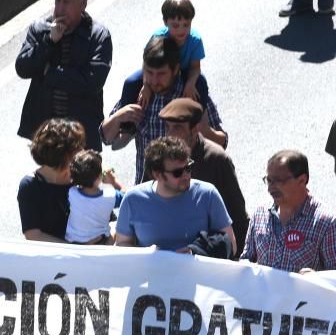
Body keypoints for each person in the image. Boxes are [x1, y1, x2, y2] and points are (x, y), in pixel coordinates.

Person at [100, 36, 226, 185]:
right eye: (149, 72)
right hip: (148, 192)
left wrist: (204, 130)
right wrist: (118, 117)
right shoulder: (138, 93)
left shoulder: (193, 95)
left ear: (176, 69)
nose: (154, 81)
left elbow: (222, 143)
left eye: (161, 74)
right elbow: (107, 139)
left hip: (187, 191)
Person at [16, 0, 111, 152]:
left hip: (82, 136)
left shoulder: (98, 36)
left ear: (83, 4)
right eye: (57, 1)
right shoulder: (40, 29)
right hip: (47, 135)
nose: (60, 8)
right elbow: (23, 68)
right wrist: (49, 42)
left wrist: (48, 73)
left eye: (67, 2)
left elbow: (91, 83)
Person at [150, 98, 249, 250]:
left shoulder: (217, 159)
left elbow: (238, 216)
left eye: (177, 127)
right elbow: (147, 197)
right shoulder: (159, 157)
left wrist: (234, 258)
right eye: (167, 127)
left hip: (205, 255)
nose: (170, 133)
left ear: (195, 129)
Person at [114, 137, 236, 255]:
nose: (186, 175)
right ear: (158, 175)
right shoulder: (133, 199)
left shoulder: (208, 194)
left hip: (197, 275)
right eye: (177, 173)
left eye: (188, 167)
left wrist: (196, 251)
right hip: (151, 275)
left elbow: (231, 245)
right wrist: (148, 255)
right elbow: (122, 244)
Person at [242, 149, 336, 273]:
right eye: (269, 180)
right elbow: (247, 260)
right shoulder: (259, 215)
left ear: (302, 180)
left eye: (279, 180)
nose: (271, 187)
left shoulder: (326, 223)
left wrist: (318, 278)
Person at [18, 119, 87, 243]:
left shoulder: (84, 178)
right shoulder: (30, 186)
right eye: (76, 149)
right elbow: (33, 235)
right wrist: (76, 249)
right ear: (59, 154)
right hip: (50, 259)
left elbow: (110, 220)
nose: (82, 152)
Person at [143, 0, 206, 101]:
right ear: (165, 22)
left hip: (184, 71)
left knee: (201, 83)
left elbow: (195, 67)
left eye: (186, 25)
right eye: (175, 25)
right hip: (160, 71)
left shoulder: (195, 40)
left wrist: (190, 83)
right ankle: (126, 113)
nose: (181, 30)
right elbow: (147, 63)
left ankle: (200, 113)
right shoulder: (158, 37)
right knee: (130, 82)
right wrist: (146, 85)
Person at [66, 150, 123, 244]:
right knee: (116, 227)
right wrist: (113, 183)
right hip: (101, 240)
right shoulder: (111, 195)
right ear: (100, 176)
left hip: (74, 241)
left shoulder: (71, 193)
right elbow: (128, 198)